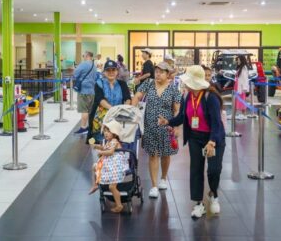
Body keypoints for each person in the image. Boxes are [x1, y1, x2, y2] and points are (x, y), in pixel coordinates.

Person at [159, 65, 226, 219]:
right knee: (196, 170)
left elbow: (216, 123)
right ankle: (198, 203)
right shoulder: (187, 97)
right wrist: (168, 122)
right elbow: (182, 117)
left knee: (214, 170)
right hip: (195, 137)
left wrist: (212, 142)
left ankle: (213, 194)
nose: (185, 84)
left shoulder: (211, 97)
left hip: (213, 138)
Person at [131, 61, 181, 199]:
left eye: (161, 72)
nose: (158, 74)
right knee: (153, 154)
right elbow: (137, 96)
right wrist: (132, 110)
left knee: (166, 154)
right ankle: (154, 186)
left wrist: (176, 126)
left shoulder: (173, 90)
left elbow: (177, 110)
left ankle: (163, 178)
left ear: (168, 74)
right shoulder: (149, 83)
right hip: (150, 125)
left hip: (167, 127)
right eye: (156, 71)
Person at [88, 125, 129, 213]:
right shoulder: (108, 142)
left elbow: (110, 152)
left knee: (112, 187)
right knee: (95, 167)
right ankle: (95, 185)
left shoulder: (114, 141)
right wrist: (95, 145)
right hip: (110, 165)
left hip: (116, 167)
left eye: (109, 131)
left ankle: (119, 205)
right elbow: (103, 147)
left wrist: (101, 152)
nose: (106, 133)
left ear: (114, 133)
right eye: (105, 131)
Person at [88, 60, 132, 142]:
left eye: (113, 70)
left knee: (117, 142)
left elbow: (127, 98)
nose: (111, 72)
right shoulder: (99, 83)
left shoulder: (122, 84)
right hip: (102, 120)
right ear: (104, 72)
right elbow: (100, 99)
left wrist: (125, 108)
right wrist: (113, 110)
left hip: (118, 118)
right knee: (102, 142)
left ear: (117, 71)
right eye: (108, 70)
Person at [73, 51, 97, 135]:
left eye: (83, 55)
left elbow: (75, 74)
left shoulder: (83, 64)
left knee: (84, 110)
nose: (83, 57)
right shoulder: (94, 65)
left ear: (87, 56)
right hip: (92, 91)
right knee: (89, 110)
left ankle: (83, 128)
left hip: (83, 91)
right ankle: (89, 127)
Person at [234, 55, 250, 120]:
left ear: (241, 60)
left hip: (241, 87)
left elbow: (245, 79)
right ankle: (235, 114)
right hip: (237, 85)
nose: (237, 61)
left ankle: (243, 114)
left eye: (238, 60)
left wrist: (244, 88)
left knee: (242, 100)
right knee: (236, 100)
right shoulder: (240, 67)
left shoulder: (244, 68)